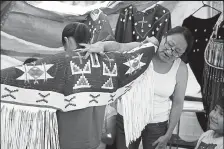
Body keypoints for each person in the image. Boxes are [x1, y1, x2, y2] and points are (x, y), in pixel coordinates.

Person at [81, 26, 194, 149]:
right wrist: (102, 46)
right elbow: (119, 47)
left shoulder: (180, 69)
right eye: (169, 44)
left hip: (156, 125)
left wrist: (168, 134)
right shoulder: (144, 49)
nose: (170, 52)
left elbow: (178, 103)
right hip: (126, 119)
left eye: (177, 51)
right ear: (163, 37)